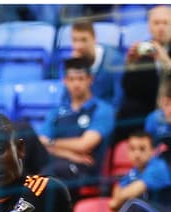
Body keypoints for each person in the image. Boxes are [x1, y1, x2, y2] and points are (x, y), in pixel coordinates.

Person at [112, 5, 171, 142]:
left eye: (165, 23)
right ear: (149, 27)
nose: (161, 28)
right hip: (153, 105)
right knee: (128, 109)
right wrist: (131, 65)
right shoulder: (145, 51)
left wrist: (167, 61)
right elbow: (131, 91)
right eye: (156, 23)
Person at [32, 56, 115, 192]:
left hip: (86, 169)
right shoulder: (57, 112)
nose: (76, 84)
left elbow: (84, 145)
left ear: (90, 80)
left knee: (48, 176)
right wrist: (69, 154)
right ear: (65, 81)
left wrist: (52, 143)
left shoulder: (102, 109)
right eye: (71, 79)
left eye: (80, 79)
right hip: (56, 161)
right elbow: (40, 142)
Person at [67, 15, 123, 107]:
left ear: (94, 39)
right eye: (74, 40)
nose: (78, 46)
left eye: (83, 40)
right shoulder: (72, 61)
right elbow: (67, 99)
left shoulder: (114, 61)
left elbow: (119, 99)